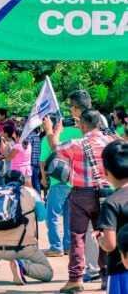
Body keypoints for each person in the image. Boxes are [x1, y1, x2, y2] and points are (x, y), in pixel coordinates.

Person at [44, 108, 114, 293]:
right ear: (100, 124)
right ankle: (106, 277)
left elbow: (54, 146)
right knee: (104, 235)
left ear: (82, 125)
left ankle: (75, 279)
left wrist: (54, 129)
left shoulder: (76, 144)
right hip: (106, 194)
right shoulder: (110, 141)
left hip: (81, 194)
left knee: (78, 236)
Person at [0, 171, 53, 285]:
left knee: (1, 240)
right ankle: (23, 266)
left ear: (5, 181)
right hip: (24, 249)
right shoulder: (30, 192)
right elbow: (42, 216)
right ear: (22, 181)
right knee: (48, 273)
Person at [40, 115, 82, 258]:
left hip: (58, 181)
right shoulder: (79, 134)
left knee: (52, 215)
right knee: (69, 216)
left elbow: (43, 161)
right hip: (76, 180)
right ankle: (68, 246)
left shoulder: (49, 137)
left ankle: (56, 247)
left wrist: (43, 179)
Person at [96, 140, 128, 294]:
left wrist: (99, 238)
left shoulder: (111, 203)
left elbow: (110, 245)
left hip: (119, 270)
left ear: (106, 172)